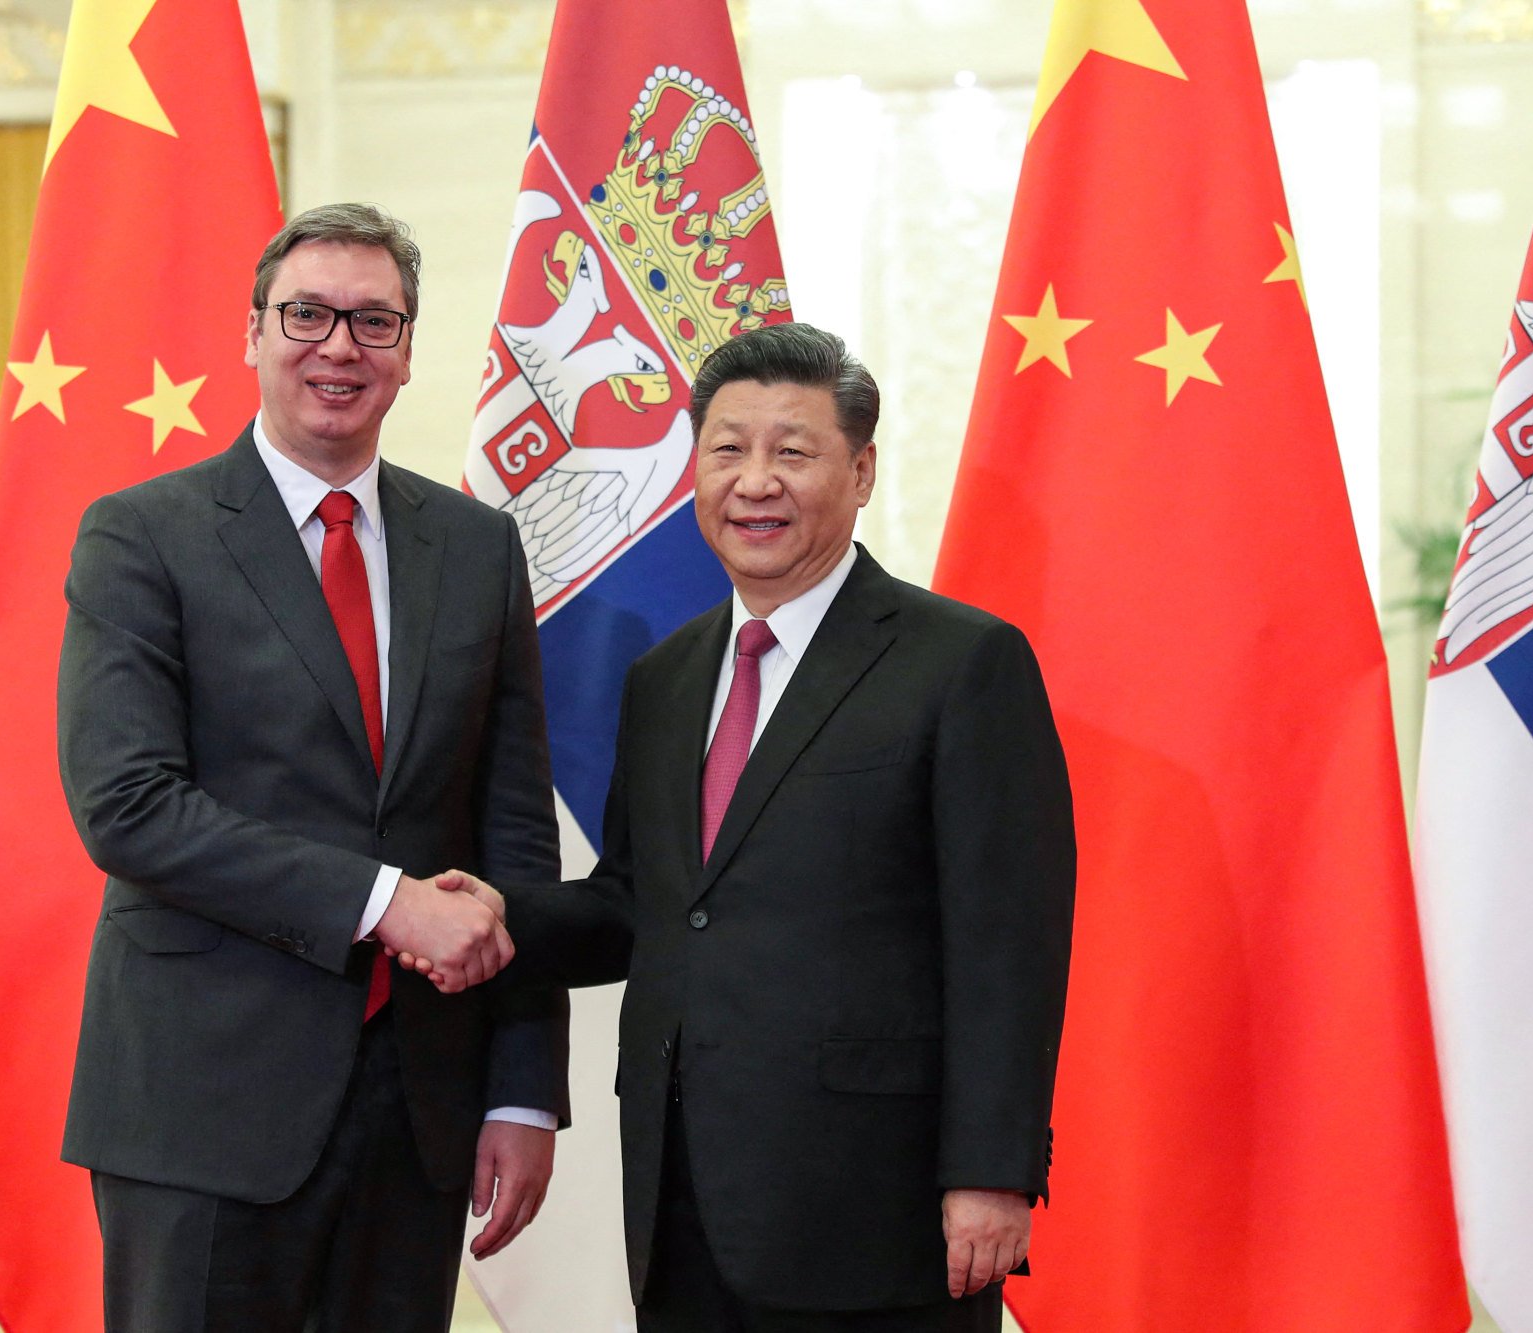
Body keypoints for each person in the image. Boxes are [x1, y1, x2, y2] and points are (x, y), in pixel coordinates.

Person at [434, 323, 1076, 1332]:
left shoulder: (961, 664)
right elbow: (638, 908)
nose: (755, 481)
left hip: (877, 1210)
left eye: (793, 450)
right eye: (727, 449)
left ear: (860, 471)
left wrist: (992, 1176)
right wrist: (488, 914)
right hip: (680, 1196)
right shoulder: (667, 678)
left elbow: (1008, 946)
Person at [56, 202, 567, 1333]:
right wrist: (386, 904)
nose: (339, 346)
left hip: (420, 1110)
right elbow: (127, 805)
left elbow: (513, 833)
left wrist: (525, 1088)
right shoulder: (143, 535)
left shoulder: (474, 547)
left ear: (406, 353)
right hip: (202, 1105)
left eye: (373, 321)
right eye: (307, 314)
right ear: (251, 333)